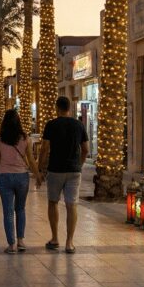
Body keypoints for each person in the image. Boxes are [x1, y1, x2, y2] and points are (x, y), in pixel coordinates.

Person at [38, 96, 88, 254]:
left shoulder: (51, 125)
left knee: (53, 203)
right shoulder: (79, 125)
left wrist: (40, 168)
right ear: (69, 109)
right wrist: (79, 164)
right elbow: (86, 148)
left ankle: (55, 239)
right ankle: (69, 243)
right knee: (71, 205)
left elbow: (45, 149)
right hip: (74, 170)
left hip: (56, 170)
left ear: (57, 108)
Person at [0, 109, 40, 254]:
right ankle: (21, 241)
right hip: (21, 176)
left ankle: (11, 245)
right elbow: (31, 159)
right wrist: (37, 175)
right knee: (20, 209)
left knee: (8, 211)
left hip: (4, 176)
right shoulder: (26, 139)